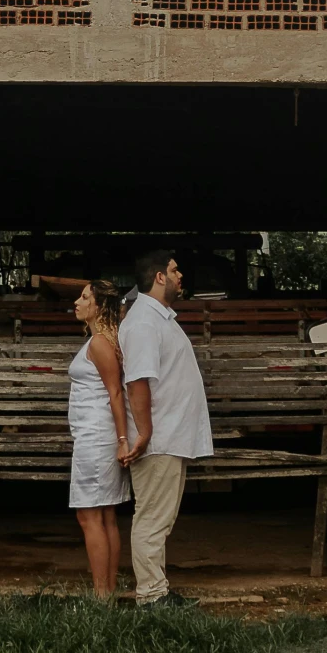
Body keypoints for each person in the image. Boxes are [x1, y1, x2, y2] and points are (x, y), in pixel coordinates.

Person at [118, 247, 213, 606]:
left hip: (169, 435)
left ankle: (157, 589)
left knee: (159, 519)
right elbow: (137, 382)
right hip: (158, 438)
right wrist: (144, 433)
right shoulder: (143, 322)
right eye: (175, 270)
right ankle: (151, 596)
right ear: (159, 277)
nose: (180, 276)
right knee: (153, 519)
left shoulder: (158, 319)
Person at [66, 278, 132, 599]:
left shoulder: (100, 344)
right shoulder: (102, 340)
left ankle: (101, 596)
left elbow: (116, 393)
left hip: (97, 438)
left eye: (84, 297)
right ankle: (107, 593)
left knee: (89, 516)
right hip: (95, 435)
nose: (77, 302)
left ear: (98, 306)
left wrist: (122, 439)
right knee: (105, 516)